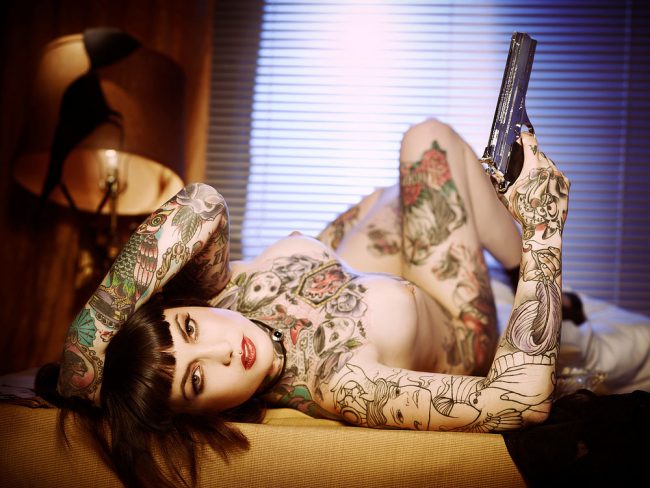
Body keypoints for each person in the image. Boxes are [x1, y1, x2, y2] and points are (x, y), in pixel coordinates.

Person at [36, 119, 570, 487]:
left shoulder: (220, 291)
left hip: (354, 268)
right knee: (427, 143)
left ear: (183, 306)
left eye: (192, 329)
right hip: (453, 320)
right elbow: (519, 401)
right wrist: (542, 232)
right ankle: (517, 265)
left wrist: (94, 327)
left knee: (400, 181)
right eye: (196, 380)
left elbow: (201, 202)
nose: (223, 352)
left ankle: (481, 235)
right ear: (201, 413)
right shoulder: (338, 382)